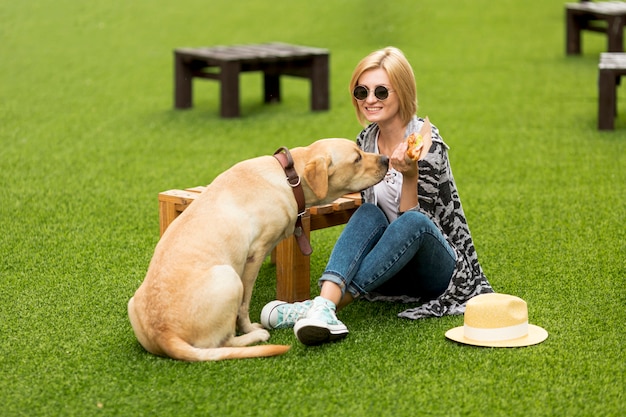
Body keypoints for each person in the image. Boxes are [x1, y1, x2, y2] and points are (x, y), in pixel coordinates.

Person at [260, 46, 493, 345]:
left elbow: (418, 227)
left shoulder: (427, 145)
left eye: (381, 91)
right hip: (388, 266)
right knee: (368, 212)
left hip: (437, 269)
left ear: (402, 92)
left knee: (413, 223)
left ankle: (319, 307)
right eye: (362, 91)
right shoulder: (367, 140)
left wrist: (410, 174)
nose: (370, 100)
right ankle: (321, 307)